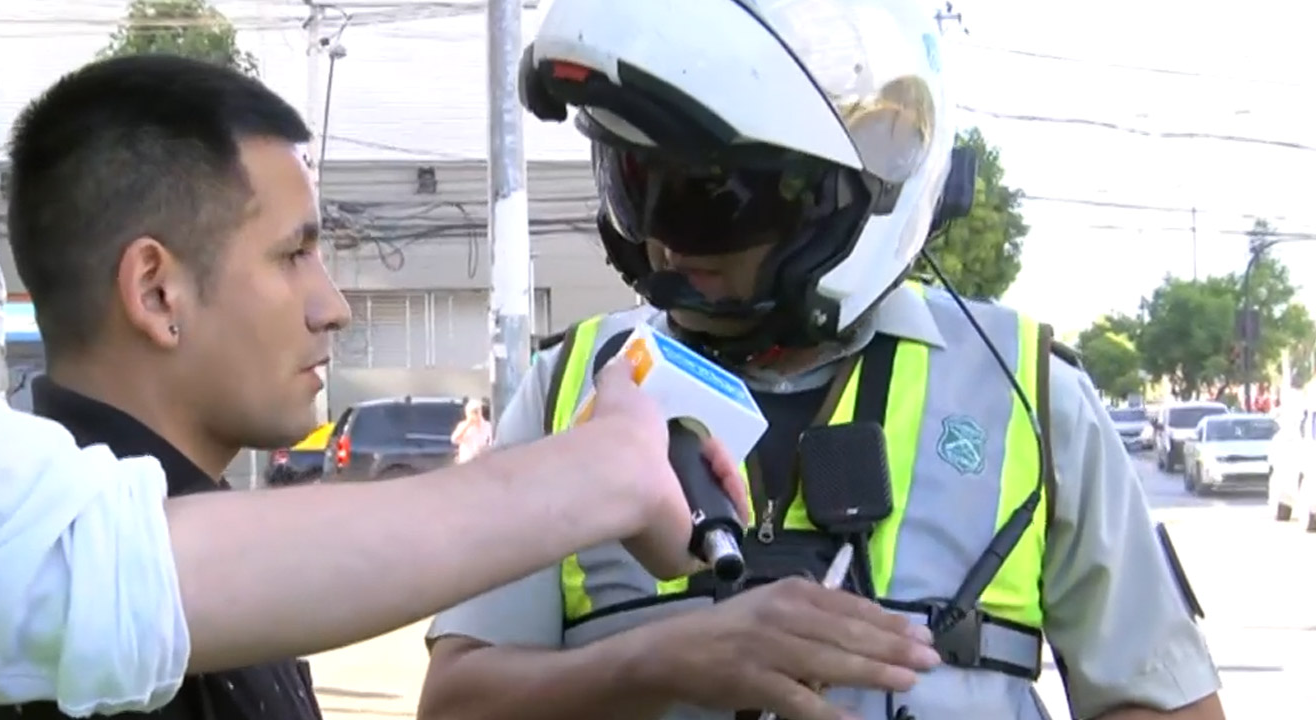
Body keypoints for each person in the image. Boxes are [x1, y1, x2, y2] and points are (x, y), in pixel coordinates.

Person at [416, 1, 1227, 720]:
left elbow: (1164, 701)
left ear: (847, 195)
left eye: (714, 200)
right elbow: (456, 701)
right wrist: (657, 661)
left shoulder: (1026, 391)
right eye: (635, 185)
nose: (663, 239)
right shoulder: (571, 388)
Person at [0, 54, 745, 719]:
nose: (334, 306)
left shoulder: (100, 587)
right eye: (293, 254)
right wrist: (607, 473)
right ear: (158, 293)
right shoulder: (75, 661)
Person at [452, 398, 494, 463]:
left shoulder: (487, 425)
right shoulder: (463, 425)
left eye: (477, 411)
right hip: (467, 462)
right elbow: (455, 439)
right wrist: (468, 424)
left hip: (483, 462)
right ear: (467, 413)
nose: (476, 414)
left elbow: (491, 443)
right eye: (473, 412)